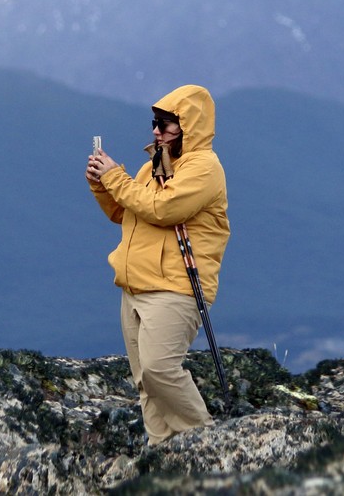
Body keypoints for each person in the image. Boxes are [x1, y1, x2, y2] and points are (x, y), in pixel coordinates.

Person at [85, 84, 230, 445]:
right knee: (145, 381)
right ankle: (163, 453)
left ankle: (206, 445)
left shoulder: (203, 168)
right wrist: (103, 187)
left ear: (189, 126)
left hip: (175, 287)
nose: (156, 131)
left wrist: (114, 177)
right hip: (136, 284)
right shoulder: (155, 165)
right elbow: (125, 212)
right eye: (155, 123)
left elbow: (164, 210)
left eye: (166, 125)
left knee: (160, 370)